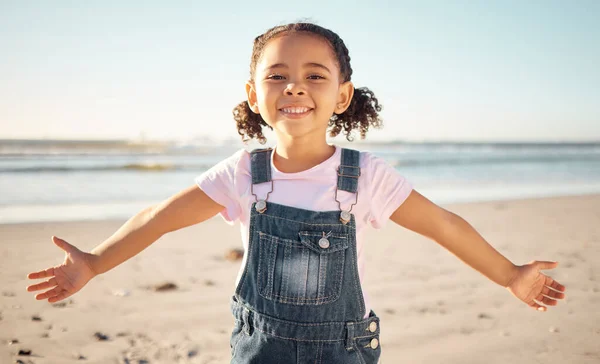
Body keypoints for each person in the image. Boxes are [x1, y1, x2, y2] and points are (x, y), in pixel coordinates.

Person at [26, 22, 566, 364]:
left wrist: (511, 275)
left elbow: (445, 225)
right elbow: (160, 217)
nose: (295, 86)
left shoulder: (365, 176)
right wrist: (95, 262)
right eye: (277, 75)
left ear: (342, 94)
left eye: (314, 75)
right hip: (260, 348)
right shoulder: (244, 173)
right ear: (253, 94)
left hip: (344, 350)